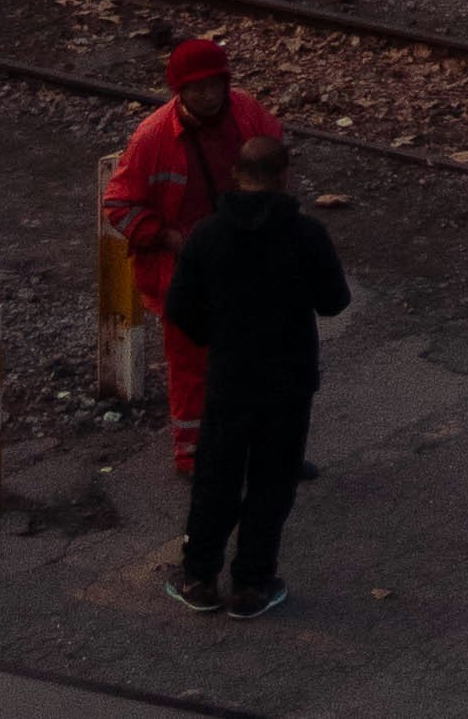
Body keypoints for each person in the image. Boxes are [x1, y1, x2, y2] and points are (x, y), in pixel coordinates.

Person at [164, 131, 350, 621]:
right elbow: (335, 301)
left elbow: (179, 306)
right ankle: (251, 584)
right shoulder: (307, 234)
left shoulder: (206, 234)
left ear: (236, 175)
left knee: (216, 477)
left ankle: (198, 577)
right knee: (273, 480)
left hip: (229, 377)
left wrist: (216, 337)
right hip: (288, 381)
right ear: (284, 176)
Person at [103, 31, 281, 480]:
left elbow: (274, 160)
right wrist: (165, 236)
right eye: (198, 88)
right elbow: (119, 206)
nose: (208, 95)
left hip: (244, 262)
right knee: (191, 367)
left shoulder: (246, 112)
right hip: (187, 274)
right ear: (179, 91)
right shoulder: (153, 138)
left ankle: (263, 447)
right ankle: (192, 455)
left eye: (214, 85)